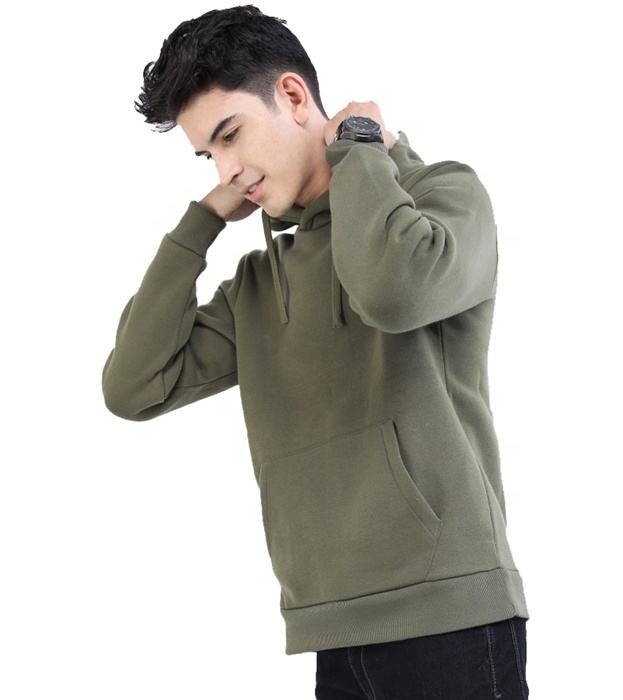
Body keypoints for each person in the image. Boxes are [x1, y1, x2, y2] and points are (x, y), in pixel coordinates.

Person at [102, 5, 530, 698]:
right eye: (209, 155)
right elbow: (133, 386)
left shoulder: (442, 197)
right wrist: (200, 224)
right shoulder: (259, 284)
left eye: (231, 134)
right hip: (330, 628)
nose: (227, 170)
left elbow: (392, 292)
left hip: (450, 617)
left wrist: (359, 147)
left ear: (295, 96)